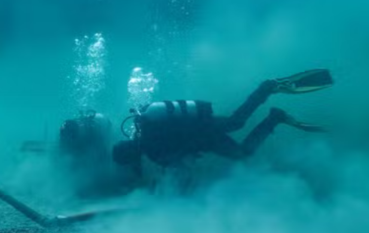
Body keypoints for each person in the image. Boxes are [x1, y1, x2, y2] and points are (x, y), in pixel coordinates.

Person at [111, 69, 333, 172]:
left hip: (203, 133)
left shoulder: (153, 153)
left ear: (132, 156)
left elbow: (183, 163)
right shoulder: (144, 127)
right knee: (237, 124)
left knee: (241, 145)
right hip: (203, 128)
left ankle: (270, 100)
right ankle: (272, 106)